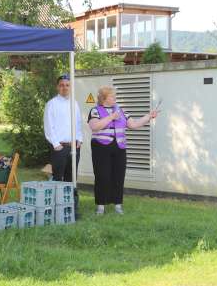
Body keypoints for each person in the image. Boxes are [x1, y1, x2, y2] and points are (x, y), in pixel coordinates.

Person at [88, 86, 158, 215]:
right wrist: (111, 117)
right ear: (104, 98)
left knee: (119, 176)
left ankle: (118, 205)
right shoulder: (95, 110)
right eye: (112, 95)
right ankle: (100, 206)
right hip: (101, 148)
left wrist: (149, 116)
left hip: (119, 147)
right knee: (102, 176)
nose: (115, 97)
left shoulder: (121, 110)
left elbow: (134, 124)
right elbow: (94, 127)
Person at [43, 74, 83, 217]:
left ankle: (71, 209)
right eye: (62, 85)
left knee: (71, 178)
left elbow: (78, 123)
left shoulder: (75, 103)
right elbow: (49, 126)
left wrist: (79, 139)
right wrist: (55, 144)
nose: (64, 87)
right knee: (58, 177)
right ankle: (55, 209)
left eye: (67, 85)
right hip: (59, 147)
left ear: (70, 87)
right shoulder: (51, 104)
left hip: (74, 147)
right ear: (57, 87)